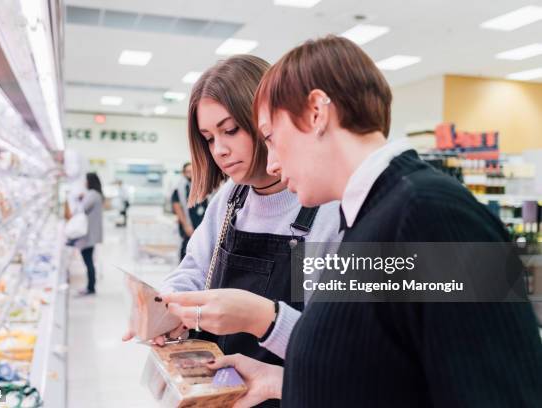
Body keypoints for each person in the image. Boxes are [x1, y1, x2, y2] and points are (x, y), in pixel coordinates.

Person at [205, 36, 542, 407]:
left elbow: (503, 394)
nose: (271, 164)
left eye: (271, 136)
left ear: (317, 111)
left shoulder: (433, 216)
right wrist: (280, 380)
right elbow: (385, 371)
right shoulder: (369, 218)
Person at [123, 55, 341, 406]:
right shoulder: (230, 198)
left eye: (231, 130)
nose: (220, 150)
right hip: (222, 390)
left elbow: (334, 346)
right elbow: (195, 268)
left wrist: (260, 319)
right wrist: (167, 308)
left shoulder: (328, 210)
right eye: (208, 138)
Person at [171, 162, 208, 260]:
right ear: (183, 173)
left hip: (200, 223)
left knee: (200, 248)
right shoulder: (179, 188)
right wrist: (186, 225)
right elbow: (177, 206)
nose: (190, 173)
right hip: (188, 224)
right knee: (187, 247)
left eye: (192, 171)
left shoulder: (201, 186)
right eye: (188, 171)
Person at [76, 172, 104, 296]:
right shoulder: (97, 195)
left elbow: (82, 208)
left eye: (86, 180)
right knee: (89, 260)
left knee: (88, 261)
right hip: (91, 232)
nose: (84, 183)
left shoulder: (92, 195)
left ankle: (91, 287)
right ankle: (90, 286)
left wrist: (80, 199)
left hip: (88, 233)